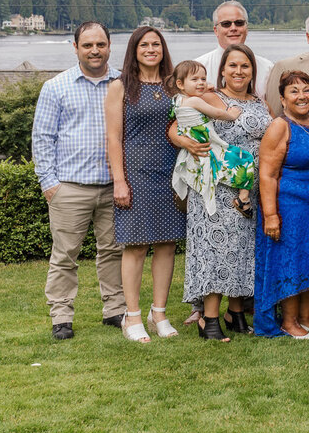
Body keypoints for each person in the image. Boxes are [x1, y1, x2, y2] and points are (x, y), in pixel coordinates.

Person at [31, 21, 124, 340]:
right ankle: (61, 316)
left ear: (109, 46)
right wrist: (49, 184)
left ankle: (115, 310)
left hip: (114, 187)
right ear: (76, 48)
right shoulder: (56, 87)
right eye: (87, 45)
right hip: (69, 188)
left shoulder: (124, 84)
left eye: (100, 44)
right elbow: (42, 138)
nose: (95, 50)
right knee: (64, 255)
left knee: (113, 250)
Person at [179, 45, 270, 337]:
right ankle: (211, 319)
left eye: (245, 66)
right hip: (216, 186)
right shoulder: (209, 96)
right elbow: (178, 122)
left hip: (247, 187)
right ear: (222, 70)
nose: (239, 71)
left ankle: (236, 313)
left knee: (242, 251)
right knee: (216, 250)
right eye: (233, 66)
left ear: (252, 71)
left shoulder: (260, 101)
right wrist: (186, 143)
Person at [104, 27, 185, 343]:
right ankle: (132, 315)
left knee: (167, 244)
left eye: (156, 44)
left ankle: (159, 312)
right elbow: (113, 137)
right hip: (135, 174)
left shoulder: (173, 86)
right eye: (144, 44)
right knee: (136, 245)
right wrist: (119, 181)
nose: (151, 49)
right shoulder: (120, 86)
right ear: (134, 50)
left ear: (163, 49)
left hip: (171, 172)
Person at [255, 70, 309, 339]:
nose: (302, 96)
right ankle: (289, 321)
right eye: (294, 91)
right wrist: (270, 214)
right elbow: (267, 174)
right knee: (292, 262)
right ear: (283, 99)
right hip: (288, 204)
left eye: (306, 90)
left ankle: (307, 318)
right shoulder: (280, 126)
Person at [166, 60, 250, 217]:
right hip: (206, 140)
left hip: (193, 142)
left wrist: (203, 87)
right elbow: (216, 113)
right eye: (195, 79)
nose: (201, 83)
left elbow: (191, 89)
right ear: (180, 83)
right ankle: (243, 197)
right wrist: (231, 115)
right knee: (244, 159)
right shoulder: (195, 101)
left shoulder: (177, 100)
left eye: (203, 79)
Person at [195, 0, 274, 99]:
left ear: (246, 28)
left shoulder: (267, 68)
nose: (233, 28)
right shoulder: (197, 67)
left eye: (239, 23)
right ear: (216, 30)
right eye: (226, 24)